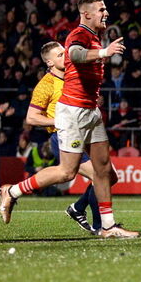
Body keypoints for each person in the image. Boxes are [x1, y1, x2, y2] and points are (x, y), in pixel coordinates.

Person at [0, 0, 139, 239]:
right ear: (86, 14)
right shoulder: (79, 34)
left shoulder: (95, 37)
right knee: (66, 172)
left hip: (89, 111)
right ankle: (12, 192)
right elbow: (75, 54)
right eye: (101, 9)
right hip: (72, 112)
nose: (106, 13)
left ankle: (107, 226)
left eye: (105, 9)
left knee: (104, 169)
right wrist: (105, 53)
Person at [24, 41, 118, 235]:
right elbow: (31, 118)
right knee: (99, 175)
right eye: (59, 55)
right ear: (49, 62)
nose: (65, 57)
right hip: (63, 136)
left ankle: (78, 208)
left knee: (110, 176)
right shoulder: (46, 85)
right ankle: (101, 226)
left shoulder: (73, 76)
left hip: (84, 132)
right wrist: (58, 121)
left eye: (65, 53)